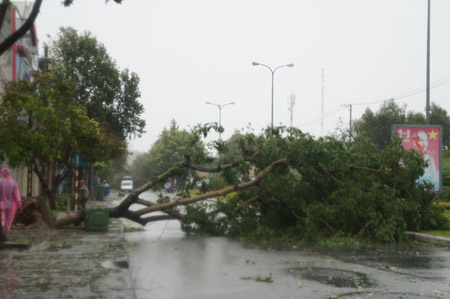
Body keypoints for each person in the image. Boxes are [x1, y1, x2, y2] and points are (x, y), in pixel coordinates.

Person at [0, 168, 22, 242]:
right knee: (7, 219)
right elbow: (17, 196)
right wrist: (19, 205)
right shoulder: (14, 183)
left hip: (0, 204)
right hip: (9, 205)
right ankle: (5, 234)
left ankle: (2, 234)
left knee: (2, 219)